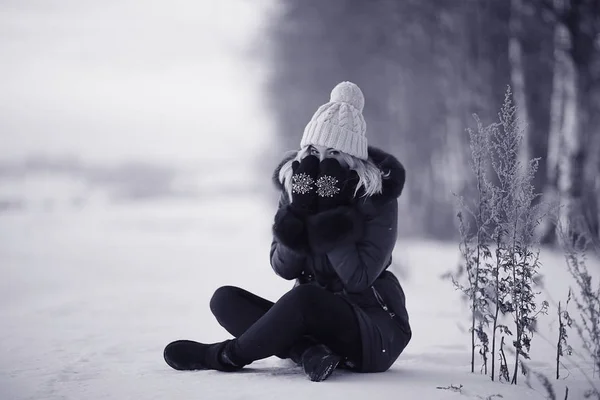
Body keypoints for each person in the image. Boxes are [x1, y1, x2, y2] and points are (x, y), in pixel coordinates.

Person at [163, 81, 411, 382]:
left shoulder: (376, 197)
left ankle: (226, 355)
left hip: (370, 332)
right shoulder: (298, 187)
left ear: (351, 158)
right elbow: (283, 268)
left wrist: (331, 215)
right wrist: (300, 210)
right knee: (225, 299)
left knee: (304, 298)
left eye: (332, 151)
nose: (320, 160)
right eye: (312, 150)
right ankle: (308, 352)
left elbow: (358, 279)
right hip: (311, 320)